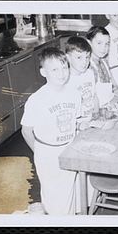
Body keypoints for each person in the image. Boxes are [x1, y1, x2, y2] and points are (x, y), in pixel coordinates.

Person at [21, 48, 81, 215]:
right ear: (43, 72)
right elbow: (26, 131)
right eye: (54, 69)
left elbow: (75, 121)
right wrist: (41, 152)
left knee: (72, 193)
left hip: (69, 149)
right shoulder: (37, 100)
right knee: (55, 200)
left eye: (64, 67)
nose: (61, 73)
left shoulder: (74, 94)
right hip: (47, 154)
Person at [65, 36, 99, 129]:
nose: (85, 62)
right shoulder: (65, 81)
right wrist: (78, 125)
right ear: (68, 58)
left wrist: (96, 113)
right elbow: (64, 114)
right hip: (75, 127)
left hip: (90, 122)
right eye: (79, 57)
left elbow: (94, 96)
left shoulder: (89, 73)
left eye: (87, 57)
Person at [86, 26, 116, 107]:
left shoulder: (103, 61)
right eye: (99, 43)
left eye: (107, 44)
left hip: (109, 105)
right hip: (97, 110)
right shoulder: (88, 66)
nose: (104, 48)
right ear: (89, 43)